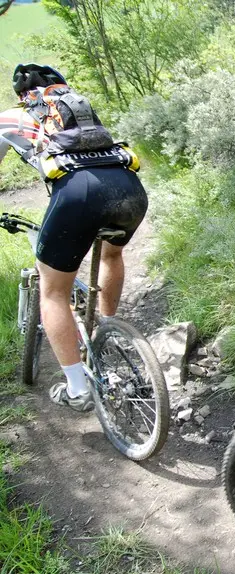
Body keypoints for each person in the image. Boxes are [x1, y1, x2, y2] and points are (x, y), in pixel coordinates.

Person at [0, 63, 147, 411]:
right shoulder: (82, 112)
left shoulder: (12, 117)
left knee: (52, 290)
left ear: (23, 95)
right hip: (129, 189)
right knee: (112, 254)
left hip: (77, 195)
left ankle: (78, 388)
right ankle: (107, 334)